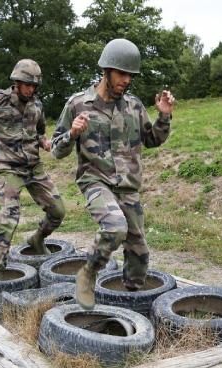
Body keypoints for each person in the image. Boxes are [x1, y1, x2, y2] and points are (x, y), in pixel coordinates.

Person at [51, 38, 175, 309]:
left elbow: (152, 140)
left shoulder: (134, 106)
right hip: (95, 181)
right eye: (121, 73)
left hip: (128, 186)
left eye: (130, 75)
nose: (127, 80)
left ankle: (132, 305)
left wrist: (164, 116)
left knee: (139, 255)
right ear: (106, 71)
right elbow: (55, 150)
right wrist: (71, 134)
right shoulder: (77, 104)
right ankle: (89, 272)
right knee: (115, 227)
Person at [0, 59, 65, 281]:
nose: (31, 89)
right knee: (10, 216)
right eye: (27, 85)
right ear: (17, 82)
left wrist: (45, 142)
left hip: (34, 167)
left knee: (58, 211)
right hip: (9, 168)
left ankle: (37, 239)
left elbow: (40, 131)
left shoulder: (37, 104)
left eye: (34, 86)